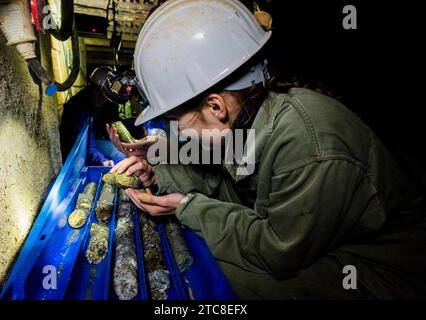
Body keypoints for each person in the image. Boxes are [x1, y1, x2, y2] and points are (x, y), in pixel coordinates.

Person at [107, 0, 426, 299]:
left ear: (216, 106)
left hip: (381, 270)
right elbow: (225, 182)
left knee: (212, 276)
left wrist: (186, 208)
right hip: (319, 242)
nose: (177, 132)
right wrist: (156, 173)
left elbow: (279, 251)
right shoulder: (252, 119)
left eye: (177, 121)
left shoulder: (308, 145)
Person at [60, 67, 126, 166]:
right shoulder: (76, 107)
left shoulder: (109, 103)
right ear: (90, 86)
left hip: (96, 140)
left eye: (105, 93)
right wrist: (102, 160)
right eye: (98, 90)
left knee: (122, 154)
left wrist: (126, 139)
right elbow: (81, 142)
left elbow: (115, 122)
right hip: (77, 148)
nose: (101, 96)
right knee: (115, 158)